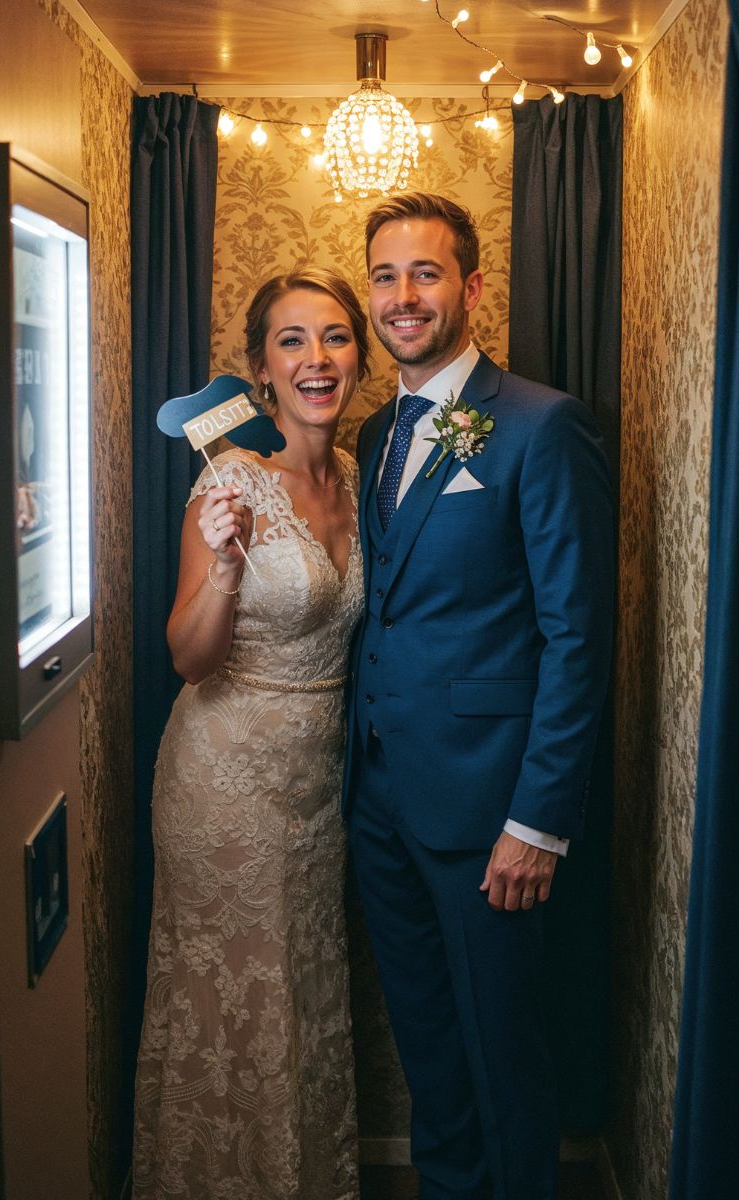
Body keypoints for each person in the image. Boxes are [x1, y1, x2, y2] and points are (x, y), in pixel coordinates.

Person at [344, 193, 614, 1200]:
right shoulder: (376, 432)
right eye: (384, 275)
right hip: (377, 799)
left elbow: (574, 634)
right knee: (427, 1047)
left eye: (423, 273)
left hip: (487, 809)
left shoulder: (540, 425)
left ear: (470, 285)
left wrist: (536, 823)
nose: (401, 296)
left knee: (503, 1053)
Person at [133, 267, 370, 1200]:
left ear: (358, 356)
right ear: (260, 371)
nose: (317, 359)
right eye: (292, 341)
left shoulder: (358, 476)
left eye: (335, 337)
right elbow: (187, 658)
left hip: (319, 789)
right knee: (231, 1007)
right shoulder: (230, 478)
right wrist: (227, 570)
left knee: (300, 998)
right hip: (222, 783)